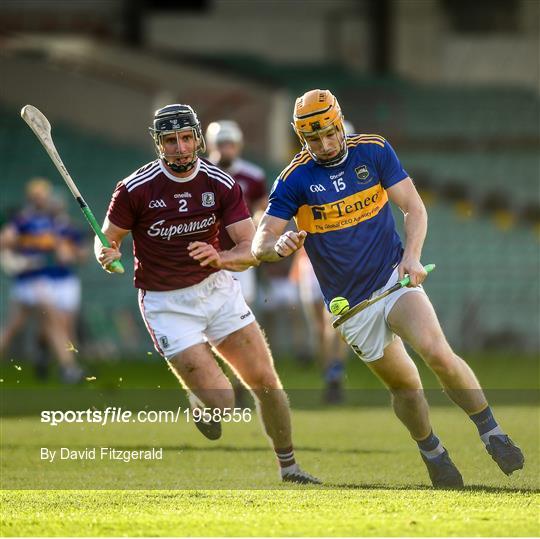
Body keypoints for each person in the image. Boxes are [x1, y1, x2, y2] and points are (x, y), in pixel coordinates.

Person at [252, 89, 524, 487]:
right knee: (406, 386)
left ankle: (491, 431)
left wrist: (412, 257)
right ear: (301, 137)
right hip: (351, 308)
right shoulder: (295, 178)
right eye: (313, 139)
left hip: (392, 278)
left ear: (339, 122)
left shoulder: (374, 151)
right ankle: (432, 450)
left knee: (436, 352)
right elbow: (261, 241)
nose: (324, 145)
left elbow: (414, 207)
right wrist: (277, 246)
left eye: (329, 133)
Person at [95, 104, 320, 484]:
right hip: (167, 305)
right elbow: (107, 239)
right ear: (158, 144)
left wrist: (219, 257)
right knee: (223, 402)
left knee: (266, 381)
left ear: (198, 139)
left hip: (217, 291)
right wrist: (104, 252)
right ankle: (203, 401)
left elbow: (249, 248)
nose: (180, 148)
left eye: (186, 138)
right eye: (170, 140)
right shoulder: (134, 188)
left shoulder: (222, 183)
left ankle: (291, 469)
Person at [0, 178, 84, 383]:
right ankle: (69, 368)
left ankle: (65, 365)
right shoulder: (23, 220)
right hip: (30, 282)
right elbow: (5, 241)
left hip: (39, 281)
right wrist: (14, 261)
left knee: (14, 327)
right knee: (52, 322)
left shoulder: (52, 222)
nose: (42, 199)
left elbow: (72, 252)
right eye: (37, 196)